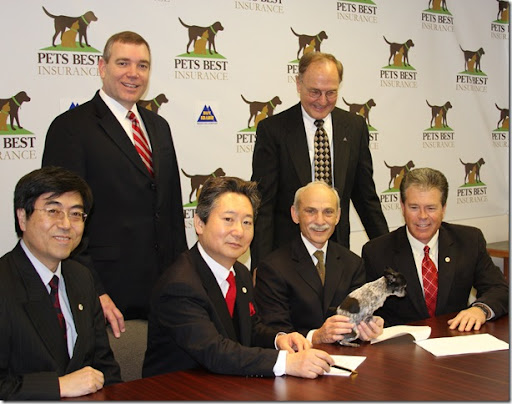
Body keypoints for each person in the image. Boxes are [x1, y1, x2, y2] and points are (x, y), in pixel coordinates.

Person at [42, 31, 187, 336]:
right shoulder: (70, 128)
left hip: (163, 292)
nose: (133, 73)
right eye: (123, 63)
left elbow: (172, 210)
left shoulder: (159, 127)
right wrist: (93, 289)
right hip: (106, 292)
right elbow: (61, 220)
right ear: (102, 67)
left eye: (142, 65)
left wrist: (184, 277)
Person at [142, 176, 335, 379]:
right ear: (199, 223)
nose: (239, 231)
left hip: (224, 384)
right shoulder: (180, 285)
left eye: (247, 222)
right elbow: (215, 351)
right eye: (228, 220)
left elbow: (250, 330)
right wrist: (286, 362)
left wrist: (279, 340)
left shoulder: (240, 273)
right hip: (176, 388)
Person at [250, 51, 388, 269]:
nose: (322, 101)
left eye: (330, 93)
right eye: (314, 92)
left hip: (337, 251)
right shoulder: (273, 130)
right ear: (298, 84)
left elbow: (366, 198)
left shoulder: (355, 127)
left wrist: (389, 253)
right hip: (287, 254)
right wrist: (261, 266)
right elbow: (263, 205)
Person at [0, 166, 121, 400]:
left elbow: (105, 368)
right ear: (22, 217)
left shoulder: (82, 278)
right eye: (53, 211)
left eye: (76, 214)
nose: (66, 224)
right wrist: (58, 386)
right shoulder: (5, 282)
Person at [362, 167, 508, 331]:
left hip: (455, 337)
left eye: (431, 208)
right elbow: (369, 309)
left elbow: (499, 289)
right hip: (403, 344)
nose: (422, 216)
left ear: (443, 208)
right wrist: (373, 323)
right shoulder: (376, 251)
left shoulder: (469, 241)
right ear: (402, 207)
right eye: (414, 207)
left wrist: (480, 309)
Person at [254, 181, 384, 345]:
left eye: (328, 212)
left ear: (338, 216)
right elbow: (275, 333)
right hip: (299, 357)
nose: (320, 221)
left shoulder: (353, 264)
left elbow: (356, 317)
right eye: (311, 211)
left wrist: (368, 326)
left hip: (347, 356)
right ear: (295, 214)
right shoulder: (273, 267)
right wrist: (315, 336)